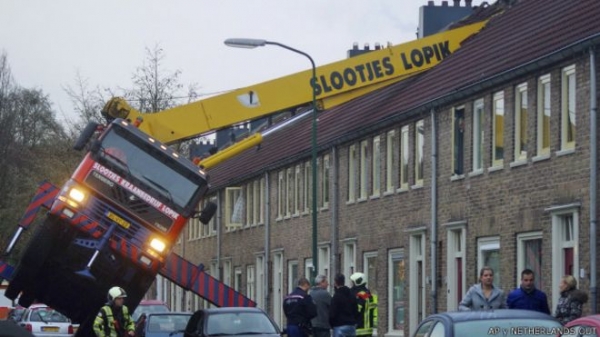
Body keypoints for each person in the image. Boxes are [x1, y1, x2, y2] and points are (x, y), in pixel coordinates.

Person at [350, 272, 374, 337]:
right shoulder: (367, 293)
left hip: (360, 327)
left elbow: (356, 310)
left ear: (358, 282)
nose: (352, 285)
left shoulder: (360, 294)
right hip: (368, 328)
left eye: (353, 283)